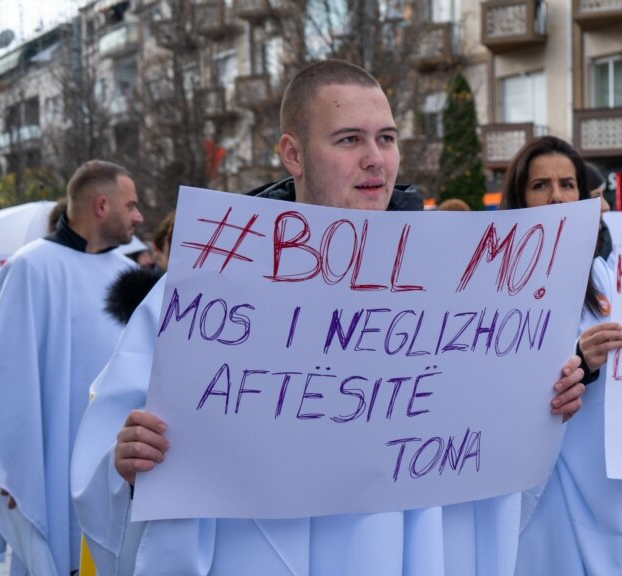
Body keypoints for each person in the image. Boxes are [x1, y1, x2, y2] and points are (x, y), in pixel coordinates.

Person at [71, 60, 585, 576]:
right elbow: (110, 464)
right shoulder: (204, 291)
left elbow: (488, 468)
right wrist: (129, 466)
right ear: (293, 154)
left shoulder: (460, 289)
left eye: (386, 138)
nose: (375, 160)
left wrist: (540, 407)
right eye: (348, 140)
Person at [501, 137, 622, 575]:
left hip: (611, 479)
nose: (556, 196)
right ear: (519, 197)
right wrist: (579, 360)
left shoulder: (603, 274)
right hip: (548, 490)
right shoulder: (496, 282)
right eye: (540, 185)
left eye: (567, 184)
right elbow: (492, 387)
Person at [0, 160, 143, 576]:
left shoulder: (130, 278)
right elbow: (4, 377)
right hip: (51, 462)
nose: (140, 217)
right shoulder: (31, 267)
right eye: (132, 205)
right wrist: (16, 468)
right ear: (102, 206)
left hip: (117, 468)